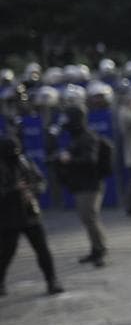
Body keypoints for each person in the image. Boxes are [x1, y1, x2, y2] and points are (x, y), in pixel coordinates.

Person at [0, 136, 63, 296]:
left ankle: (52, 280)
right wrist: (14, 190)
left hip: (29, 213)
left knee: (42, 249)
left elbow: (40, 181)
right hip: (8, 216)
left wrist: (33, 191)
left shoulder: (25, 162)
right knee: (7, 251)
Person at [53, 105, 108, 267]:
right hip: (82, 184)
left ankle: (100, 250)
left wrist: (69, 159)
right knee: (87, 218)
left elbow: (90, 160)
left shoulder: (88, 137)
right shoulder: (78, 137)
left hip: (90, 185)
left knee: (90, 218)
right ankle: (95, 249)